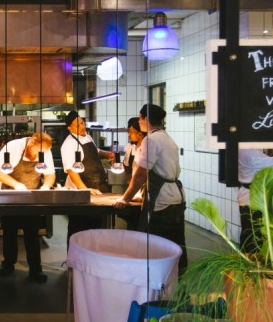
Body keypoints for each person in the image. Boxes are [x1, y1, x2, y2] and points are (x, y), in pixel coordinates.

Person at [116, 104, 187, 270]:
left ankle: (159, 288)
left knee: (157, 249)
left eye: (140, 118)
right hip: (176, 199)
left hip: (162, 203)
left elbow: (141, 174)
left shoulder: (151, 139)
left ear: (146, 119)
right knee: (177, 247)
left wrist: (125, 198)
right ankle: (179, 288)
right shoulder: (166, 137)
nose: (139, 122)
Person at [0, 132, 56, 283]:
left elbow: (50, 174)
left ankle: (35, 270)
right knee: (9, 232)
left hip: (31, 198)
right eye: (38, 152)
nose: (39, 155)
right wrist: (15, 184)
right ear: (32, 142)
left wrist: (45, 186)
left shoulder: (45, 151)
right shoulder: (13, 147)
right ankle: (8, 265)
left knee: (32, 233)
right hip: (10, 195)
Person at [60, 110, 115, 244]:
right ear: (70, 128)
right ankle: (74, 261)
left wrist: (108, 154)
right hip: (81, 193)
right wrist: (85, 191)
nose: (83, 127)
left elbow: (95, 151)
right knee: (78, 229)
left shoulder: (87, 137)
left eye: (82, 122)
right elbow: (72, 172)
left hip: (97, 188)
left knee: (95, 229)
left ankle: (93, 258)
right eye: (78, 125)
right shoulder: (68, 145)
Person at [237, 149, 273, 253]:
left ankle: (248, 263)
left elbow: (267, 160)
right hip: (252, 201)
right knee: (255, 241)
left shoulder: (246, 147)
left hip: (249, 198)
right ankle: (251, 265)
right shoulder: (249, 152)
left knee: (249, 236)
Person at [117, 116, 146, 229]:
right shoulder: (130, 148)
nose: (129, 135)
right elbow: (128, 168)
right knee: (132, 225)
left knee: (139, 226)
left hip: (142, 194)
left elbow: (142, 175)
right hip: (134, 191)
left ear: (140, 134)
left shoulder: (145, 149)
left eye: (131, 132)